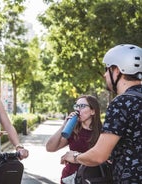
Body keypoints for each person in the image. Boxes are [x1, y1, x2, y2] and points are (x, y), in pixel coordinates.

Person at [61, 44, 142, 183]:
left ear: (117, 70)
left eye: (107, 69)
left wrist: (74, 156)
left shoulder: (121, 103)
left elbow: (98, 156)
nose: (105, 74)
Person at [46, 95, 102, 184]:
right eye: (76, 106)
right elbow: (50, 148)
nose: (77, 109)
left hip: (92, 179)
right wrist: (64, 125)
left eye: (82, 106)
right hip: (70, 177)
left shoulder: (103, 133)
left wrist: (75, 156)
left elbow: (102, 158)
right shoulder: (73, 130)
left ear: (93, 111)